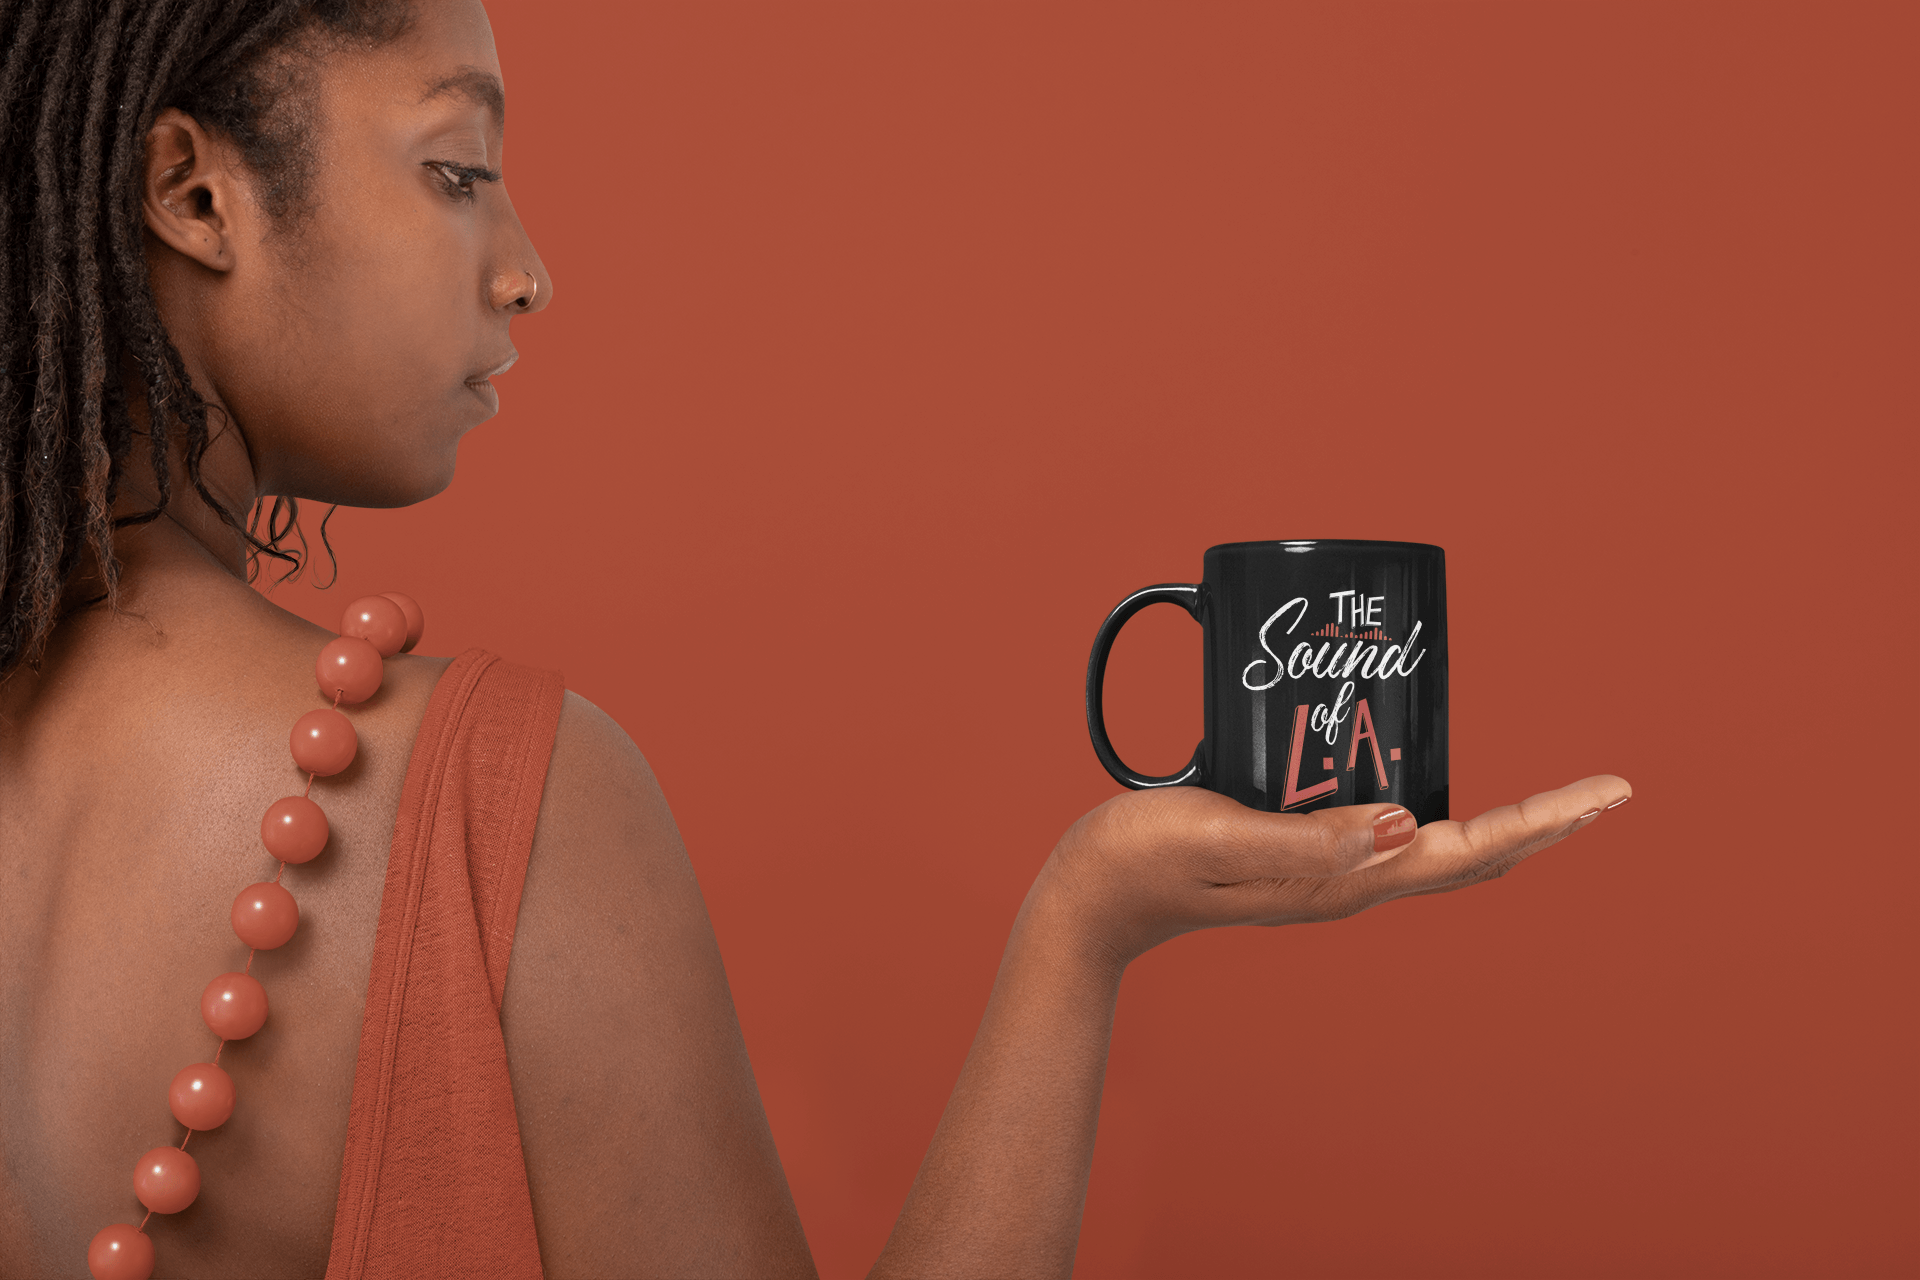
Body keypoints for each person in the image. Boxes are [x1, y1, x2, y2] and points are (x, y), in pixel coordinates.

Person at [0, 1, 1630, 1276]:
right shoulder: (493, 796)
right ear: (193, 192)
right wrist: (1085, 928)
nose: (527, 273)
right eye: (458, 173)